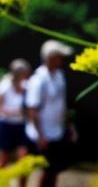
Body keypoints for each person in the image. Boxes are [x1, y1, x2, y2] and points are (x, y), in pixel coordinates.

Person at [25, 39, 77, 187]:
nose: (62, 59)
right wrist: (41, 136)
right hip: (44, 134)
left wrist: (69, 126)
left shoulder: (59, 75)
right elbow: (32, 109)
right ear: (51, 57)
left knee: (54, 169)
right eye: (60, 56)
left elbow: (62, 104)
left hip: (58, 131)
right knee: (45, 170)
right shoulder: (38, 80)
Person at [0, 58, 32, 187]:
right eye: (25, 72)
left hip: (21, 125)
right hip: (6, 125)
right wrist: (15, 112)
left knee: (23, 160)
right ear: (18, 73)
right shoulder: (5, 85)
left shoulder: (26, 85)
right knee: (4, 160)